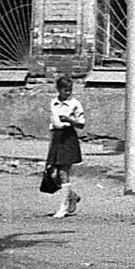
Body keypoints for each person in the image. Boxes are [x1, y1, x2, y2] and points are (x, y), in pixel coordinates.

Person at [46, 77, 86, 217]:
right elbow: (52, 123)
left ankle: (63, 207)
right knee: (53, 173)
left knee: (63, 173)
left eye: (70, 90)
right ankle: (72, 196)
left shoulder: (75, 104)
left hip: (68, 137)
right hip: (56, 137)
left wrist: (69, 120)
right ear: (58, 90)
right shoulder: (53, 103)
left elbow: (81, 124)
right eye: (65, 90)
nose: (68, 93)